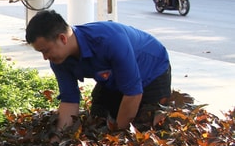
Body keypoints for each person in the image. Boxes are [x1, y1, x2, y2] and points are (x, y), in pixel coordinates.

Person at [25, 10, 171, 131]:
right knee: (98, 121)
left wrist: (117, 137)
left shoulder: (109, 40)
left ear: (62, 38)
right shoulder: (58, 60)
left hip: (152, 71)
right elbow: (69, 100)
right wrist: (59, 138)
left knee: (146, 129)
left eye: (45, 50)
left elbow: (133, 93)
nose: (45, 57)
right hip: (113, 78)